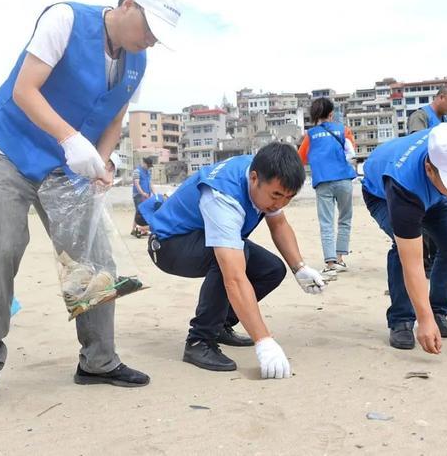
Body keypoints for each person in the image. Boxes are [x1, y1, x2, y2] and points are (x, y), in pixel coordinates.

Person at [0, 0, 182, 401]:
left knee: (95, 258)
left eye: (158, 38)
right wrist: (69, 140)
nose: (151, 41)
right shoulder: (64, 19)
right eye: (149, 29)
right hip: (11, 150)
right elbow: (24, 90)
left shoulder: (137, 61)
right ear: (128, 4)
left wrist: (102, 163)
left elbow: (115, 119)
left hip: (68, 166)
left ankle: (98, 361)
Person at [140, 143, 327, 378]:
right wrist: (264, 341)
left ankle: (220, 325)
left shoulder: (267, 174)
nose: (279, 204)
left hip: (200, 236)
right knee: (232, 260)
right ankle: (200, 340)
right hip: (169, 245)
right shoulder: (222, 197)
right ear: (254, 178)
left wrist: (299, 268)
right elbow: (235, 278)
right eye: (276, 196)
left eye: (288, 198)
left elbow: (278, 223)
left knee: (272, 269)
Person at [361, 123, 447, 353]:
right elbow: (414, 264)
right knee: (405, 249)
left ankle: (438, 313)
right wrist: (422, 320)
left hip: (437, 195)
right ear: (429, 168)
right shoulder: (403, 185)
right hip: (383, 195)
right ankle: (401, 320)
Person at [407, 84, 447, 281]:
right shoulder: (420, 117)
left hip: (441, 182)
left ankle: (437, 265)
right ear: (440, 97)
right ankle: (422, 266)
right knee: (421, 226)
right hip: (422, 180)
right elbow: (418, 144)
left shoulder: (445, 121)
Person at [298, 98, 357, 276]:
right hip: (344, 180)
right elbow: (351, 153)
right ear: (331, 114)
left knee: (326, 223)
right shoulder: (343, 130)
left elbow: (301, 158)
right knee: (344, 219)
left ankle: (330, 264)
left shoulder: (310, 135)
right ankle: (340, 259)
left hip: (322, 181)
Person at [131, 157, 155, 237]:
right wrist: (142, 193)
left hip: (147, 195)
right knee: (139, 212)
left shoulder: (148, 172)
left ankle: (142, 229)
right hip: (138, 195)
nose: (149, 167)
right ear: (144, 163)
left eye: (150, 166)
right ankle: (134, 229)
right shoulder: (137, 171)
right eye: (148, 165)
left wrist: (154, 193)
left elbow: (150, 183)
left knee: (144, 212)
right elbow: (137, 184)